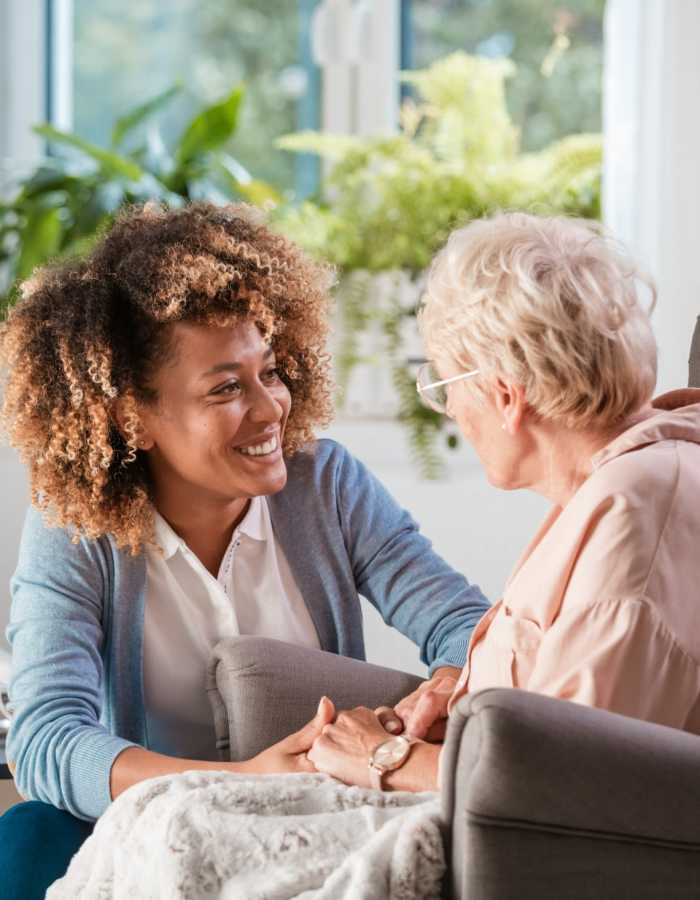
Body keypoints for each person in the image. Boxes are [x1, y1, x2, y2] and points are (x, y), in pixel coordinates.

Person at [0, 201, 490, 898]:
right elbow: (47, 741)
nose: (270, 408)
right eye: (226, 387)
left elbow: (468, 630)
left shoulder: (327, 484)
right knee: (27, 838)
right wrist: (243, 782)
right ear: (132, 417)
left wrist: (444, 687)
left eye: (271, 371)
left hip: (304, 825)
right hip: (148, 825)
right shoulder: (73, 529)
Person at [307, 211, 700, 793]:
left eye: (444, 387)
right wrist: (466, 700)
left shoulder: (634, 511)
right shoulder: (622, 478)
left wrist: (384, 757)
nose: (453, 413)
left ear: (505, 395)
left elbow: (567, 784)